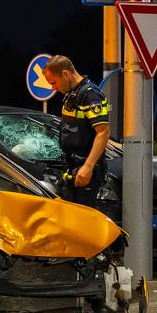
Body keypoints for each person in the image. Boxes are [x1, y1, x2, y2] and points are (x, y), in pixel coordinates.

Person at [42, 55, 110, 209]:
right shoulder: (72, 94)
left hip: (86, 170)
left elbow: (103, 133)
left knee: (85, 222)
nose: (53, 88)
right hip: (72, 167)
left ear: (65, 74)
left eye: (54, 82)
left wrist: (88, 166)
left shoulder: (90, 95)